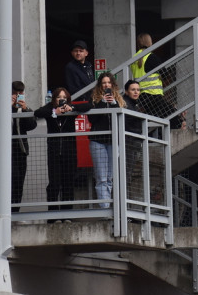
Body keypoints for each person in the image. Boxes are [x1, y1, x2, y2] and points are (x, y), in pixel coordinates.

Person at [34, 86, 87, 216]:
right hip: (54, 152)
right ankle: (52, 215)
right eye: (59, 97)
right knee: (54, 183)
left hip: (69, 152)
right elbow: (38, 112)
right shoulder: (50, 109)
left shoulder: (70, 110)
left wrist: (72, 108)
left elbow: (87, 106)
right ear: (54, 99)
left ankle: (67, 214)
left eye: (64, 98)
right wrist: (54, 112)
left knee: (68, 183)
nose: (62, 100)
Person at [86, 72, 124, 209]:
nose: (106, 85)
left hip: (114, 141)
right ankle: (105, 208)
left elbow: (121, 119)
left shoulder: (119, 100)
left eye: (108, 83)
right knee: (101, 177)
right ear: (100, 85)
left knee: (110, 177)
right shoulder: (94, 100)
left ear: (112, 85)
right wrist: (102, 102)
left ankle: (108, 206)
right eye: (103, 83)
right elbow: (92, 120)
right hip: (98, 141)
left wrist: (113, 103)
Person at [11, 81, 38, 212]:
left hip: (20, 150)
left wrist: (25, 109)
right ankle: (6, 212)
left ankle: (15, 212)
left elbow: (32, 125)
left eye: (20, 93)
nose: (18, 96)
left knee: (19, 182)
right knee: (8, 181)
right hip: (5, 150)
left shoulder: (24, 109)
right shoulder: (2, 107)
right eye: (15, 93)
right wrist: (8, 106)